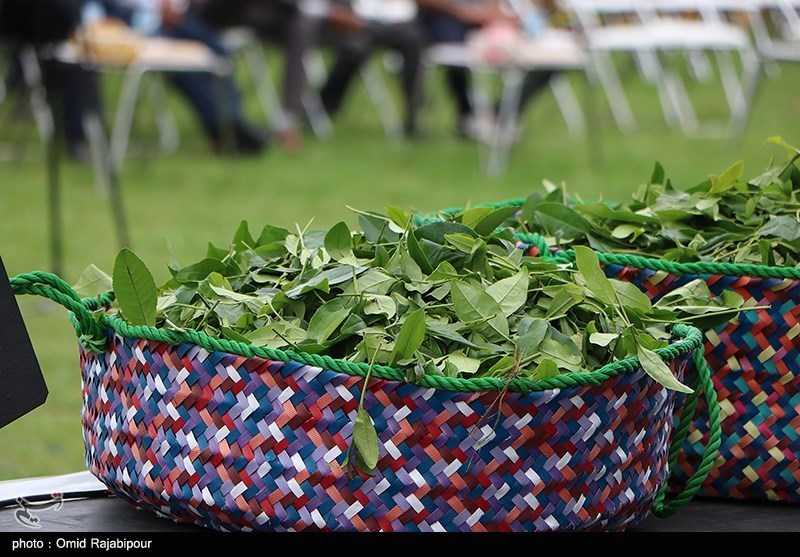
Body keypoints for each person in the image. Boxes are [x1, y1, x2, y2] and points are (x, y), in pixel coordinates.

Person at [102, 0, 269, 155]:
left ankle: (233, 121)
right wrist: (155, 11)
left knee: (219, 53)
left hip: (173, 17)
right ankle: (222, 129)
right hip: (135, 24)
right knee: (187, 65)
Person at [415, 0, 555, 140]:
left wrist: (495, 14)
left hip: (489, 19)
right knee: (456, 51)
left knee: (553, 57)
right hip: (443, 17)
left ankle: (502, 110)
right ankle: (468, 114)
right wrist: (463, 11)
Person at [198, 0, 313, 151]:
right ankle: (227, 127)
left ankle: (287, 119)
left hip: (268, 12)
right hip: (216, 14)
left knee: (299, 27)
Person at [315, 0, 425, 138]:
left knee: (412, 40)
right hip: (349, 20)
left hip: (387, 21)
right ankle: (324, 106)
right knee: (354, 51)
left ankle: (413, 115)